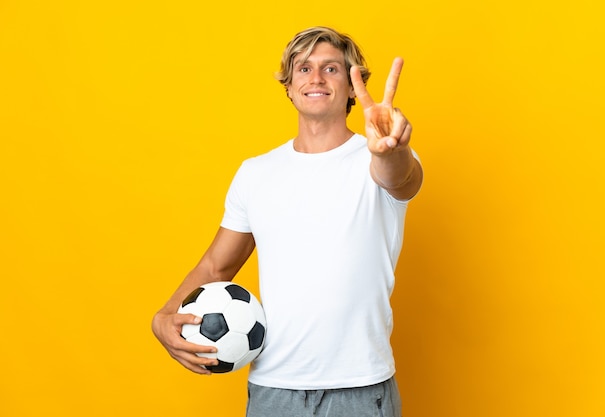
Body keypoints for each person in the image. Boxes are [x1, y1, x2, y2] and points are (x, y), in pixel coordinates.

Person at [152, 26, 423, 416]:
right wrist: (165, 315)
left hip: (361, 389)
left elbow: (401, 178)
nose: (316, 78)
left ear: (353, 87)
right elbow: (217, 265)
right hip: (274, 391)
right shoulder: (255, 173)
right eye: (303, 69)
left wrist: (391, 150)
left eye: (331, 69)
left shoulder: (377, 159)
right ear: (289, 87)